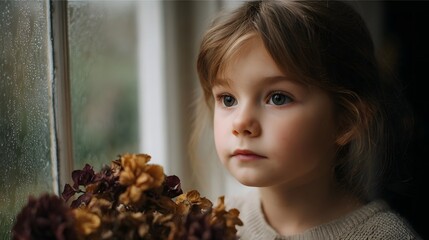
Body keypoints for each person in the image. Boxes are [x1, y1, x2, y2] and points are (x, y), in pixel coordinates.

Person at [192, 0, 422, 239]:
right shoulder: (213, 226)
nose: (241, 124)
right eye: (228, 99)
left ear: (346, 121)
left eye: (278, 98)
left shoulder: (385, 236)